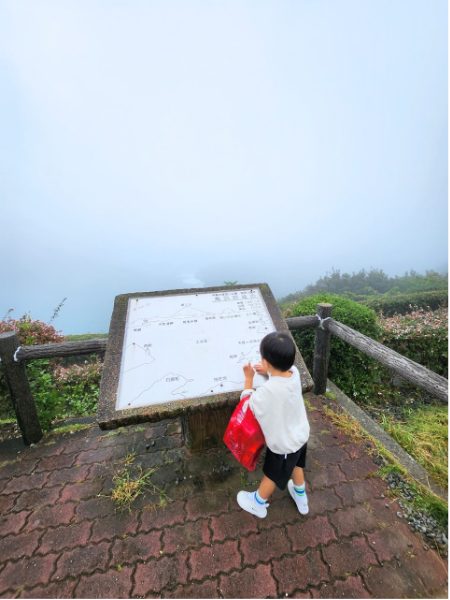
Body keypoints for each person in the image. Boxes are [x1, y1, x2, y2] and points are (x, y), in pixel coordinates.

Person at [236, 331, 310, 519]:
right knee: (296, 464)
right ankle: (301, 496)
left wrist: (248, 380)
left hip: (284, 445)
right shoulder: (294, 373)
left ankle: (258, 503)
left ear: (266, 362)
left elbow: (248, 404)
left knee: (273, 474)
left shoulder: (268, 391)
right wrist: (269, 371)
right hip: (300, 434)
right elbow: (281, 379)